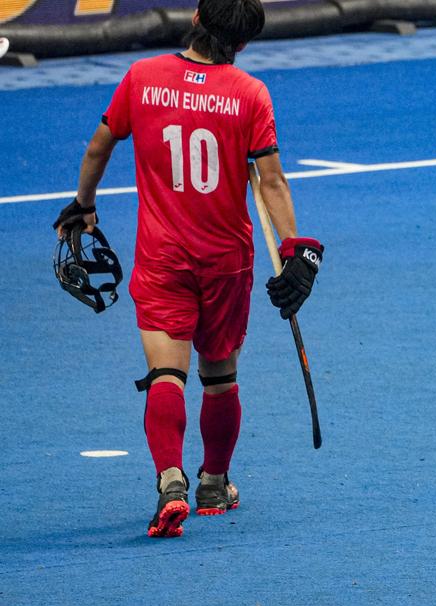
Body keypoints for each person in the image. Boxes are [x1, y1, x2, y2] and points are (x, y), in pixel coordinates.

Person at [52, 0, 321, 538]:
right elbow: (271, 181)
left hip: (163, 258)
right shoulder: (250, 94)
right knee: (219, 379)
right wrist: (296, 249)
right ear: (242, 43)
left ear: (197, 18)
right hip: (225, 262)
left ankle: (170, 480)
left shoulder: (142, 77)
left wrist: (83, 204)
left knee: (165, 375)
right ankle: (214, 484)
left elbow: (99, 147)